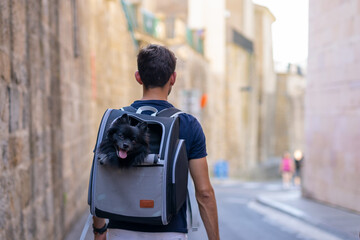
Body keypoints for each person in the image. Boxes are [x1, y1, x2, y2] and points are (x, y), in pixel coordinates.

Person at [92, 44, 219, 240]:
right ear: (173, 78)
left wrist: (99, 231)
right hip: (170, 231)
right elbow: (204, 193)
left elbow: (101, 177)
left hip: (121, 231)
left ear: (138, 77)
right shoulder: (188, 124)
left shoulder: (116, 121)